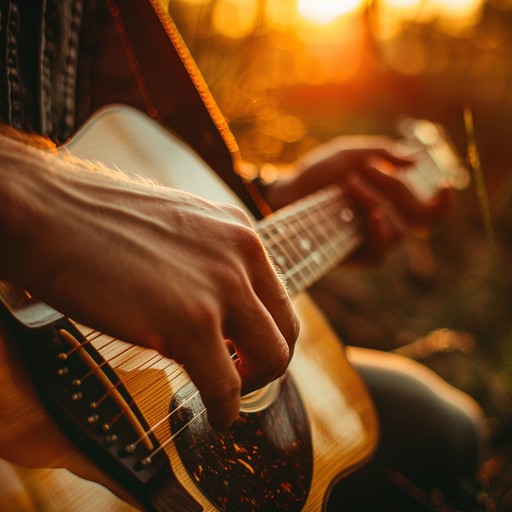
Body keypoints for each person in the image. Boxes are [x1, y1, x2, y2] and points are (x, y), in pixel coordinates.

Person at [0, 1, 485, 510]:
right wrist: (43, 199)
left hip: (109, 373)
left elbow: (113, 164)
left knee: (442, 429)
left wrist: (265, 203)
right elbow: (83, 198)